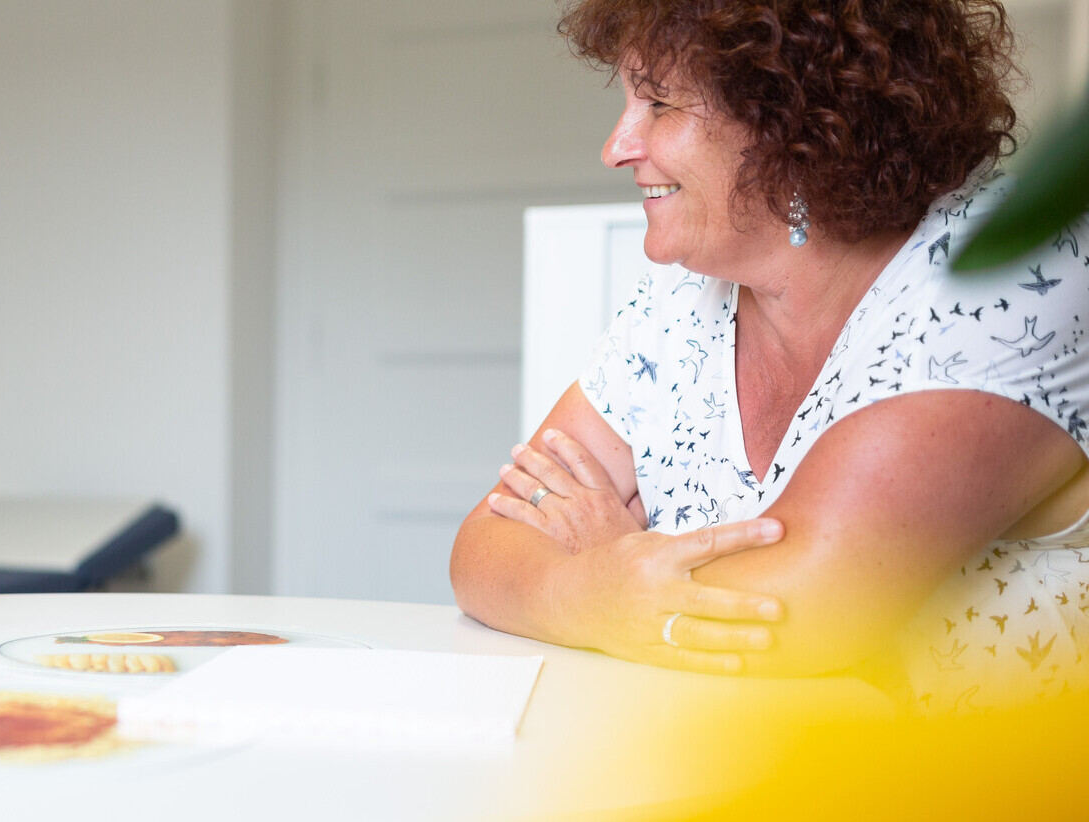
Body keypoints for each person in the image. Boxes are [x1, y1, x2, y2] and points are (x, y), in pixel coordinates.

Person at [450, 0, 1089, 714]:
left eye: (659, 103)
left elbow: (791, 617)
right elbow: (486, 544)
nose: (617, 146)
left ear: (794, 118)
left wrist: (605, 567)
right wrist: (594, 590)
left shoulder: (1009, 271)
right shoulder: (683, 291)